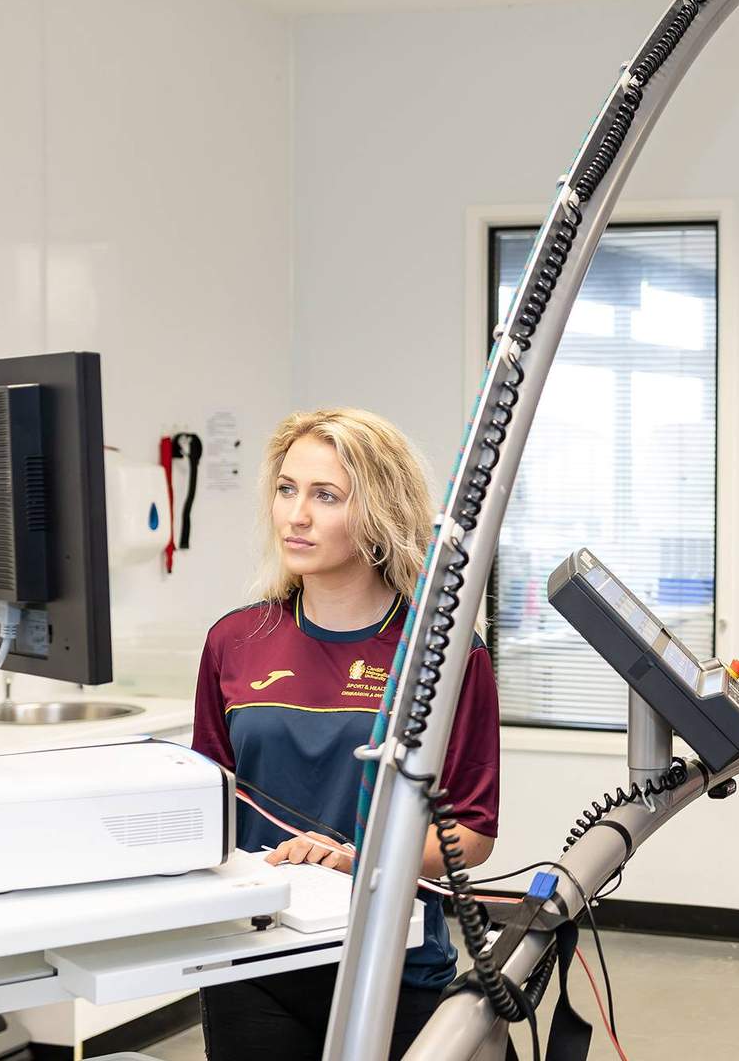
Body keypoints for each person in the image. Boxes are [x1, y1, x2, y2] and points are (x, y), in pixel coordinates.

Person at [192, 408, 502, 1061]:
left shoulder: (442, 655)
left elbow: (471, 835)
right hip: (254, 960)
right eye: (287, 489)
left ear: (377, 515)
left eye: (325, 495)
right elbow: (203, 808)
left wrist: (366, 860)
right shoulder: (234, 642)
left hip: (392, 967)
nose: (295, 515)